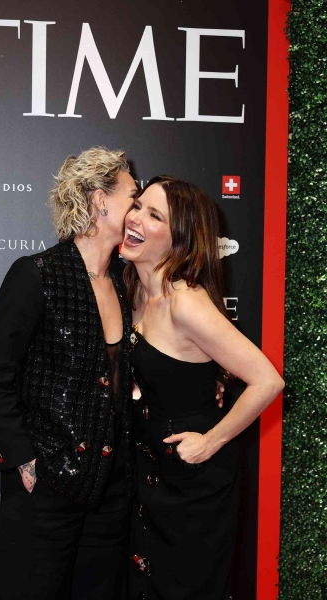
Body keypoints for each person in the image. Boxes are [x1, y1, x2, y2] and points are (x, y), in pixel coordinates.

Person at [0, 147, 139, 600]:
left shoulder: (129, 283)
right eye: (132, 197)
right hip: (47, 486)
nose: (138, 210)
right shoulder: (37, 275)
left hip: (111, 491)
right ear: (99, 200)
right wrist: (22, 460)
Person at [121, 175, 285, 600]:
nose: (134, 218)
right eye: (137, 205)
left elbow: (267, 381)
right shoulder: (134, 288)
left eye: (153, 215)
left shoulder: (186, 303)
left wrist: (212, 441)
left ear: (180, 239)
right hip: (148, 472)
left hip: (194, 486)